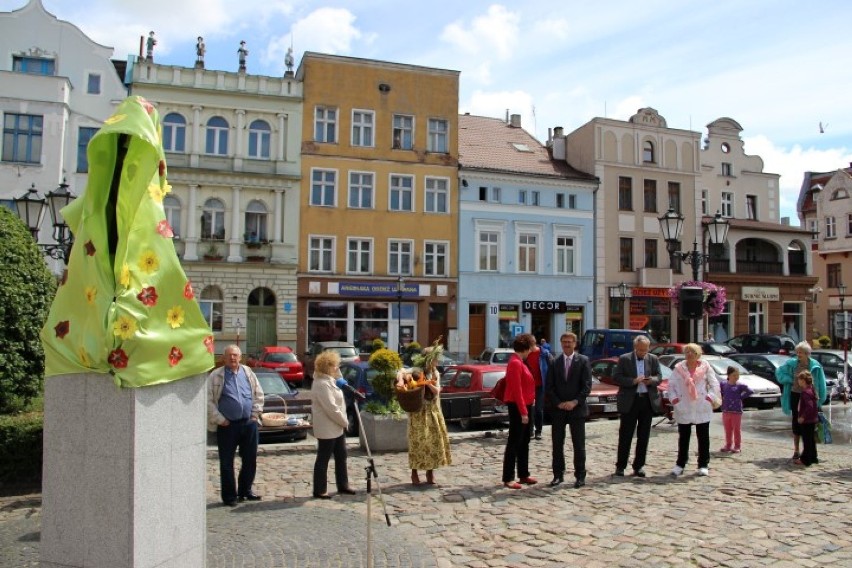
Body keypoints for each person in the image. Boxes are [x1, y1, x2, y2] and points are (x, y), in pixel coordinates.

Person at [207, 344, 264, 506]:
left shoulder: (248, 372)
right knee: (226, 462)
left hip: (248, 424)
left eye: (235, 355)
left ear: (240, 357)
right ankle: (229, 496)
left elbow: (259, 394)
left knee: (250, 459)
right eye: (229, 355)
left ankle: (245, 491)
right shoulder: (216, 376)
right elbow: (209, 401)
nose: (233, 358)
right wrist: (220, 419)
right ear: (224, 357)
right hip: (227, 426)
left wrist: (255, 414)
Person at [545, 332, 592, 488]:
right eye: (564, 341)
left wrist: (575, 401)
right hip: (558, 410)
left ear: (575, 343)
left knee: (579, 445)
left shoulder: (583, 361)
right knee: (557, 444)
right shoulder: (554, 362)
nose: (567, 344)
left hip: (577, 409)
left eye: (569, 342)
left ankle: (580, 476)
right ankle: (558, 475)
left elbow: (586, 386)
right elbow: (549, 386)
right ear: (560, 343)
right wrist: (558, 403)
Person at [668, 343, 721, 476]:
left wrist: (710, 398)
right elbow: (671, 386)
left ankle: (703, 464)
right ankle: (680, 463)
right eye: (687, 352)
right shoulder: (679, 368)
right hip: (684, 405)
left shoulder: (705, 367)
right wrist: (675, 400)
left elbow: (714, 384)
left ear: (698, 354)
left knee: (703, 437)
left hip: (701, 405)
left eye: (693, 352)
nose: (690, 354)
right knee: (683, 437)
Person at [613, 335, 662, 477]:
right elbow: (616, 377)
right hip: (630, 400)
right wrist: (633, 381)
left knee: (644, 435)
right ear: (635, 347)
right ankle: (620, 466)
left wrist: (650, 380)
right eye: (640, 350)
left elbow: (659, 376)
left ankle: (639, 465)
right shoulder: (624, 358)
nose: (642, 352)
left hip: (647, 400)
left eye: (645, 350)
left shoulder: (653, 358)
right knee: (625, 435)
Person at [311, 350, 356, 499]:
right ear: (328, 367)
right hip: (327, 427)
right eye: (335, 365)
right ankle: (319, 489)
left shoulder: (331, 380)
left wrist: (337, 373)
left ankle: (343, 485)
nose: (338, 368)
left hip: (336, 426)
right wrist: (344, 421)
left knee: (341, 455)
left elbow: (339, 379)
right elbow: (331, 408)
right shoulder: (322, 384)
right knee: (323, 457)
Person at [775, 341, 827, 461]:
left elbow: (821, 382)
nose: (798, 354)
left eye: (801, 352)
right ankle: (797, 450)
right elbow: (779, 372)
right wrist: (789, 380)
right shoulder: (792, 363)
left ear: (807, 353)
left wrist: (820, 399)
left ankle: (808, 452)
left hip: (809, 396)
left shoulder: (815, 365)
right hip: (795, 395)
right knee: (796, 423)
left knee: (809, 425)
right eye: (797, 352)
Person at [401, 365, 452, 485]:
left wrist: (427, 382)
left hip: (432, 411)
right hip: (418, 412)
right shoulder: (416, 370)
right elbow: (401, 372)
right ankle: (414, 472)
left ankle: (430, 472)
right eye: (433, 360)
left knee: (432, 443)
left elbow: (437, 391)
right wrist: (402, 378)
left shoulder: (435, 373)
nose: (435, 363)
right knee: (417, 443)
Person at [501, 333, 538, 489]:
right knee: (514, 442)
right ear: (527, 347)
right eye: (531, 346)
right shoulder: (515, 363)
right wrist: (523, 412)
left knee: (524, 442)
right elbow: (517, 390)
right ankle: (508, 477)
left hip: (526, 405)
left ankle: (523, 474)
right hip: (518, 407)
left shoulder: (521, 361)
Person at [719, 366, 753, 453]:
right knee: (727, 429)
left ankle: (737, 446)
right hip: (726, 410)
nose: (736, 377)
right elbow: (719, 392)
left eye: (737, 375)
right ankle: (728, 445)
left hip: (736, 411)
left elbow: (750, 391)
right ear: (729, 375)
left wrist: (740, 397)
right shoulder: (723, 384)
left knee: (736, 429)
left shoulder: (740, 385)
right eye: (734, 375)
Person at [527, 336, 553, 440]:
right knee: (529, 409)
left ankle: (538, 431)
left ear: (533, 344)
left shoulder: (544, 353)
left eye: (529, 346)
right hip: (529, 386)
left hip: (540, 386)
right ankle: (530, 431)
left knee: (538, 409)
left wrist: (550, 385)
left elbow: (552, 367)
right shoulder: (525, 355)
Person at [795, 370, 819, 466]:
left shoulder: (806, 392)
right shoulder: (811, 389)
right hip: (812, 419)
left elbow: (810, 406)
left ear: (803, 380)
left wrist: (802, 417)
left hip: (807, 420)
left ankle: (805, 459)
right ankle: (813, 457)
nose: (798, 381)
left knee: (807, 440)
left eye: (799, 380)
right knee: (811, 440)